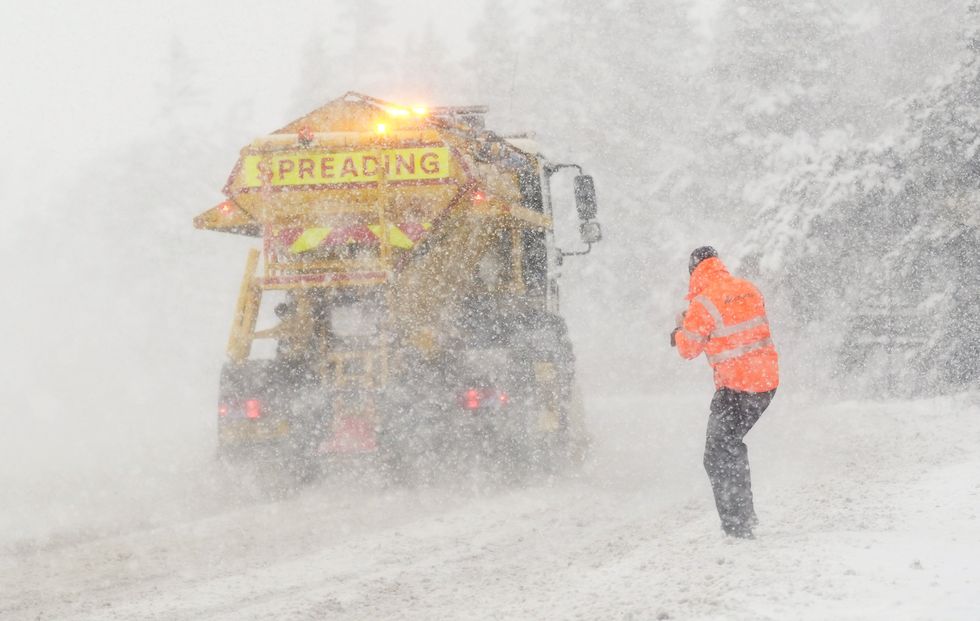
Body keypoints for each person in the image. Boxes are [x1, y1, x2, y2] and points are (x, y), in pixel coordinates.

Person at [671, 246, 779, 539]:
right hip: (767, 383)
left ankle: (738, 524)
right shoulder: (748, 288)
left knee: (718, 452)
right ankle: (744, 517)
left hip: (736, 387)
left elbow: (688, 349)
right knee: (730, 445)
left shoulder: (703, 303)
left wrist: (679, 329)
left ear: (694, 271)